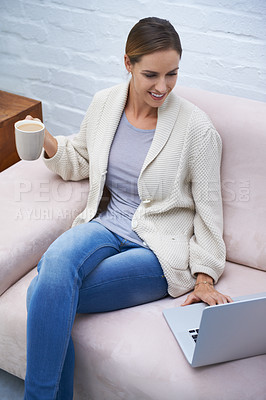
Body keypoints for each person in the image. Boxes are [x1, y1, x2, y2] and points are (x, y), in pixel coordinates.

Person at [24, 17, 232, 400]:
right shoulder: (105, 104)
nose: (162, 86)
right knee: (55, 268)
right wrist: (48, 140)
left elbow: (209, 211)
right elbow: (83, 161)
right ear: (128, 63)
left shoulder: (197, 130)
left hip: (157, 251)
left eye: (172, 74)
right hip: (104, 226)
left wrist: (205, 277)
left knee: (43, 292)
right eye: (151, 74)